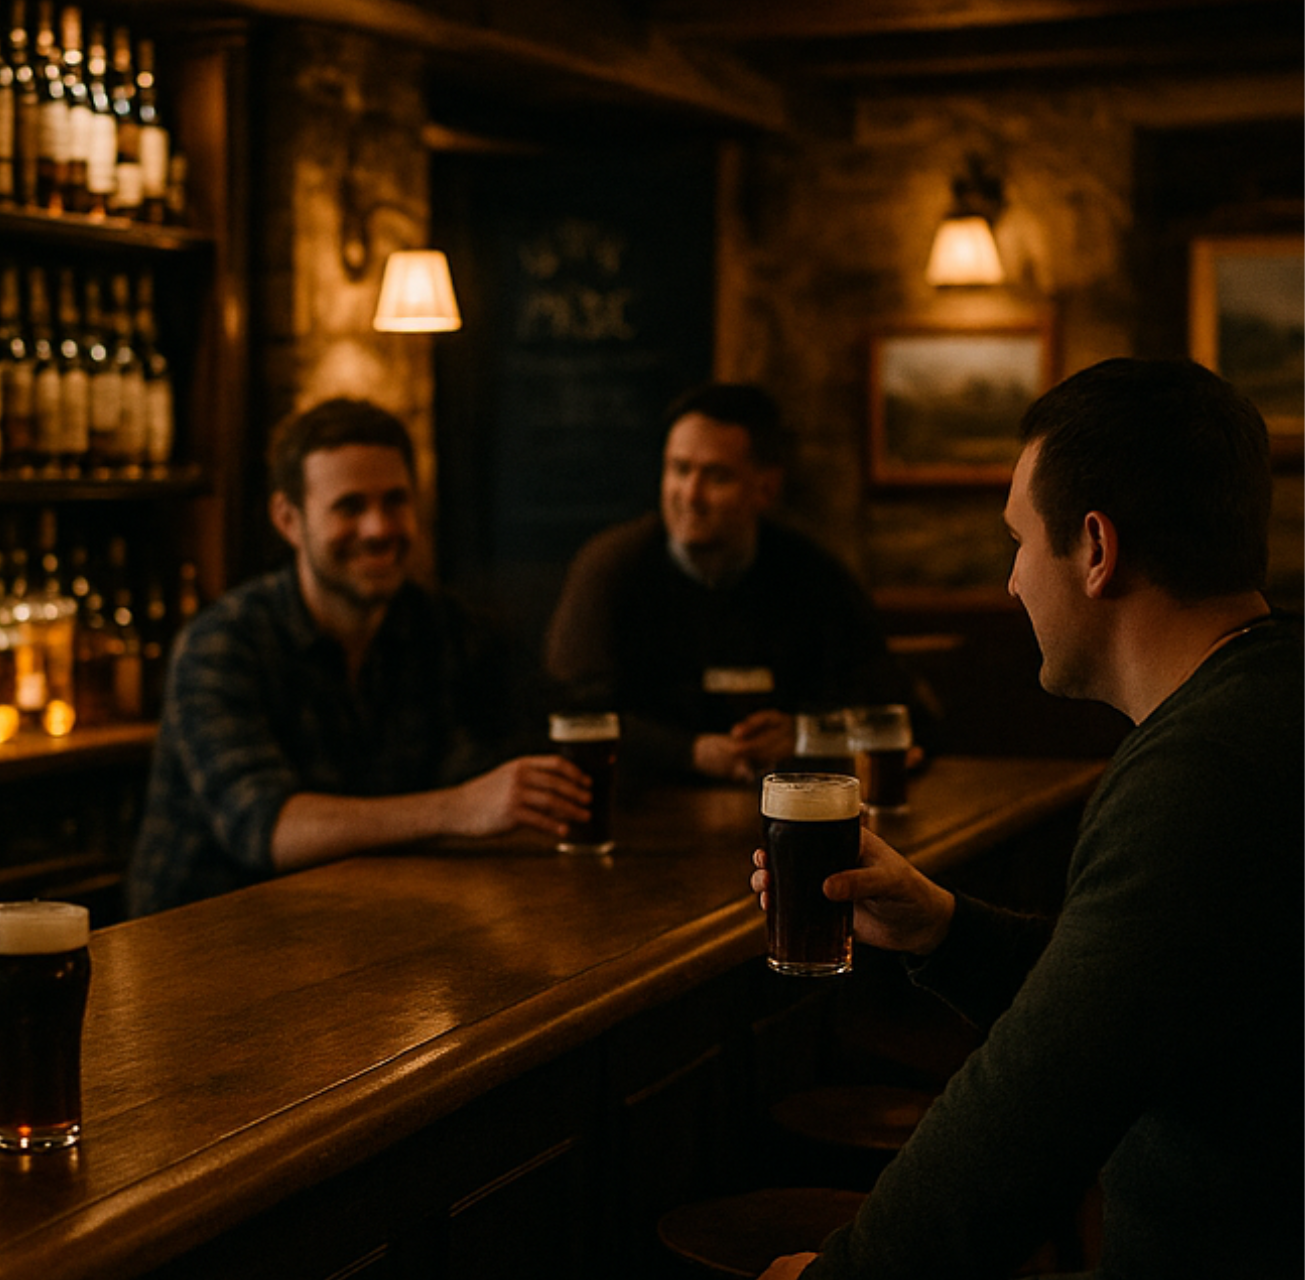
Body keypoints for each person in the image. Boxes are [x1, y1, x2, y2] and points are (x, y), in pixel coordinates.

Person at [751, 358, 1302, 1278]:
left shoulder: (1204, 772)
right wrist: (942, 928)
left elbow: (1030, 1107)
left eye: (1017, 541)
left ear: (1095, 549)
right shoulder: (1263, 703)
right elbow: (1122, 1005)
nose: (1011, 583)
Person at [128, 398, 591, 916]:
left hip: (363, 921)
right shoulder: (222, 644)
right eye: (350, 507)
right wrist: (462, 807)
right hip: (205, 938)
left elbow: (529, 740)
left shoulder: (445, 628)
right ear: (288, 519)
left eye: (395, 501)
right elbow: (268, 829)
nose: (379, 529)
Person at [545, 383, 914, 782]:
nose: (691, 495)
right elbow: (568, 714)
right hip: (642, 802)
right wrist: (689, 752)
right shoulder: (611, 567)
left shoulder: (813, 574)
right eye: (679, 469)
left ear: (766, 488)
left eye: (717, 477)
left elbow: (890, 706)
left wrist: (803, 734)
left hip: (784, 805)